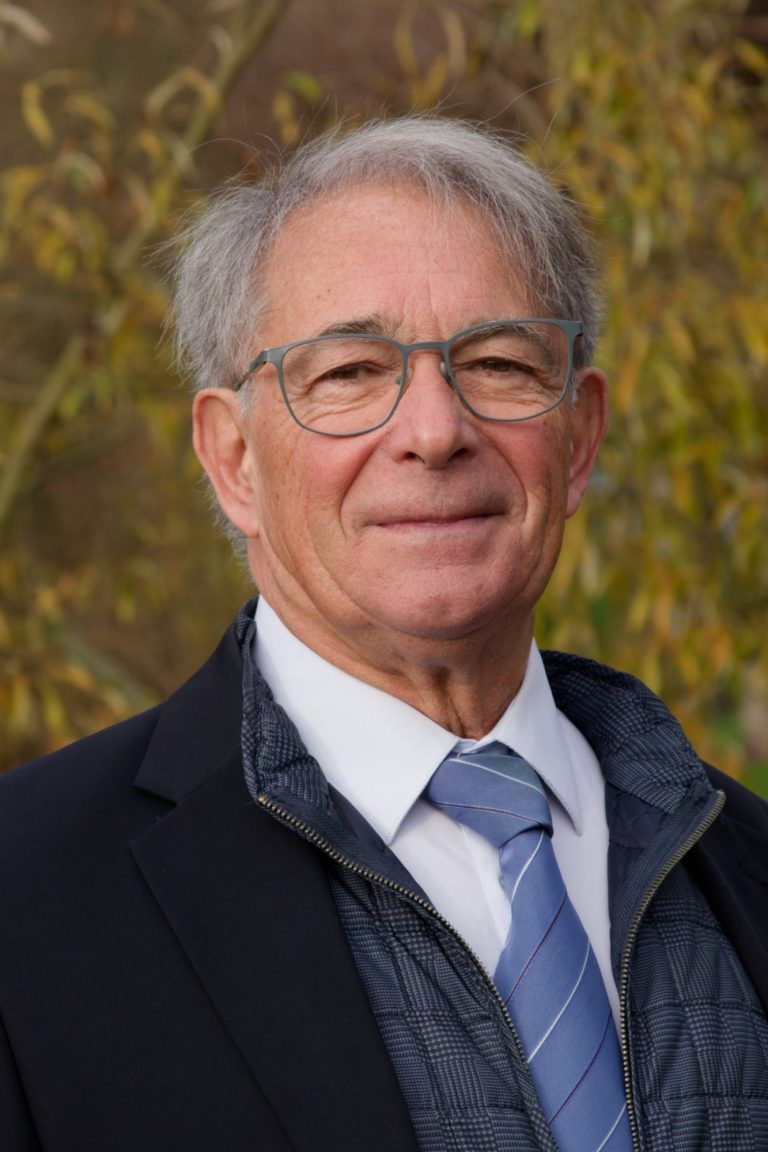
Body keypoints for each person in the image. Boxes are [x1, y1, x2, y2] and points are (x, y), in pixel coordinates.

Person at [1, 116, 767, 1152]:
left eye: (497, 362)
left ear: (579, 438)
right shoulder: (25, 900)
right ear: (233, 460)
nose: (435, 430)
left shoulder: (744, 861)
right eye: (350, 373)